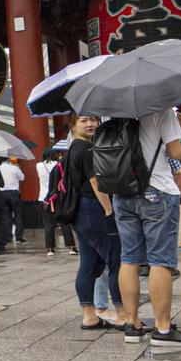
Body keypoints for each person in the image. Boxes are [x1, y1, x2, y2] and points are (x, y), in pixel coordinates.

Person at [111, 108, 181, 346]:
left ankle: (132, 324)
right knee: (160, 261)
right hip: (156, 190)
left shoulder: (111, 111)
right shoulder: (160, 108)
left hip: (123, 191)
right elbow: (176, 152)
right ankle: (163, 329)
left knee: (129, 259)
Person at [64, 115, 126, 330]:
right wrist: (109, 208)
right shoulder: (88, 150)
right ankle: (122, 314)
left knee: (88, 264)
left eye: (93, 120)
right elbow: (95, 180)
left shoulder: (72, 148)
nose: (90, 124)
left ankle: (89, 316)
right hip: (94, 208)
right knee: (115, 260)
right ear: (73, 125)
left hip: (79, 211)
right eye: (83, 121)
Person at [37, 149, 76, 256]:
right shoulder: (59, 165)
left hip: (44, 198)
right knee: (65, 223)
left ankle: (50, 249)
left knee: (48, 224)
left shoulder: (39, 165)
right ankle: (71, 248)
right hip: (59, 198)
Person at [0, 157, 27, 245]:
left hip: (2, 193)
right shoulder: (14, 168)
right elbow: (22, 178)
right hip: (13, 193)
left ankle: (7, 237)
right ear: (9, 160)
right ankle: (18, 236)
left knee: (5, 216)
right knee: (18, 215)